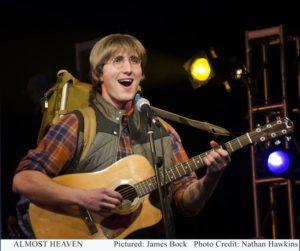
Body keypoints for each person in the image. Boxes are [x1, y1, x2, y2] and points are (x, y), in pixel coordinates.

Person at [12, 33, 231, 239]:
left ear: (141, 74)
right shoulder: (78, 123)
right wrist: (83, 198)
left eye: (134, 61)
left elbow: (187, 204)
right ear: (99, 74)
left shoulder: (163, 130)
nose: (128, 68)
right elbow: (24, 179)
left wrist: (211, 177)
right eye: (117, 60)